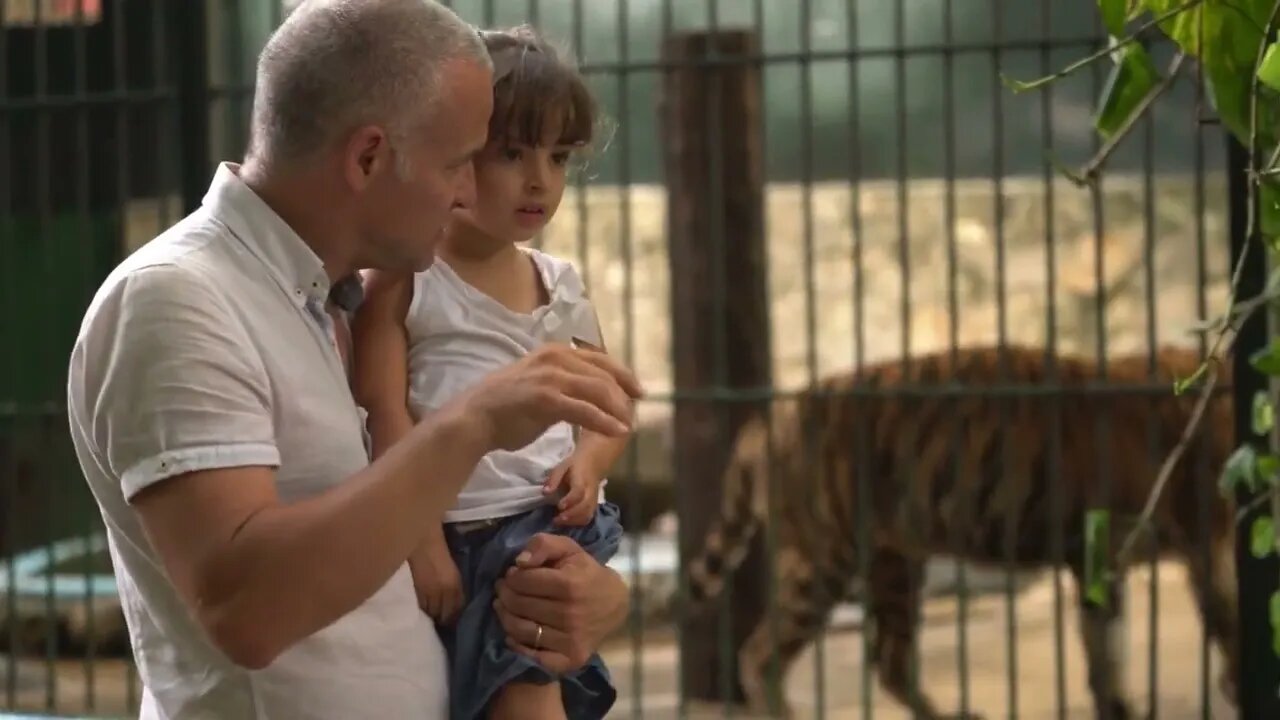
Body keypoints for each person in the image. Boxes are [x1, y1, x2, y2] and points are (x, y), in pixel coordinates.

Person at [63, 2, 641, 718]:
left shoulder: (340, 304)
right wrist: (472, 426)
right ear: (368, 157)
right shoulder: (179, 300)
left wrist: (581, 600)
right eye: (459, 161)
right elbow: (247, 608)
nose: (468, 192)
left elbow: (396, 559)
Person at [351, 25, 627, 720]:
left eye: (559, 157)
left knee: (530, 693)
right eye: (510, 153)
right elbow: (384, 415)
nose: (541, 180)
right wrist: (421, 543)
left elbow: (608, 403)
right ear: (455, 154)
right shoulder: (406, 283)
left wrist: (590, 466)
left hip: (543, 528)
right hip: (457, 536)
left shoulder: (558, 284)